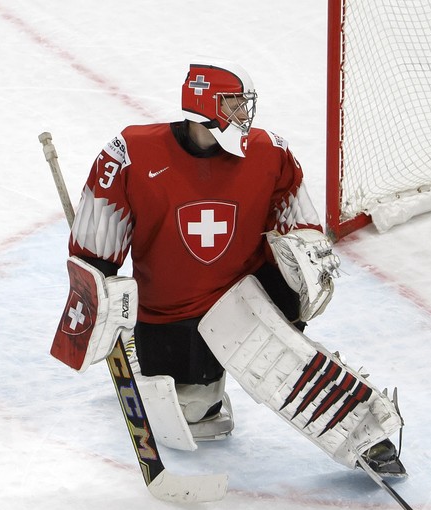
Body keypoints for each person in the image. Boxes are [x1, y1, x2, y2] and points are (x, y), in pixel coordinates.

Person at [50, 60, 405, 476]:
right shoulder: (130, 153)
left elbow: (300, 225)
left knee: (282, 360)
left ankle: (361, 430)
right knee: (197, 417)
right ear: (204, 105)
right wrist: (100, 289)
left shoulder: (269, 151)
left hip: (246, 295)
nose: (244, 115)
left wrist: (304, 259)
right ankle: (171, 368)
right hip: (171, 311)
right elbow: (95, 249)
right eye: (234, 104)